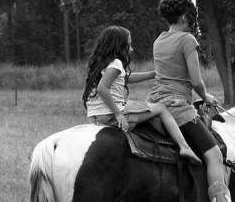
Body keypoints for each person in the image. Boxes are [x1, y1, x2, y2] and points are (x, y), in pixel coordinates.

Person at [147, 0, 235, 202]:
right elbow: (195, 80)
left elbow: (169, 76)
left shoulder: (159, 40)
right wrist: (205, 96)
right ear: (185, 17)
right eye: (192, 21)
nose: (193, 26)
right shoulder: (186, 40)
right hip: (177, 107)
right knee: (215, 155)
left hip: (153, 103)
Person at [82, 25, 201, 165]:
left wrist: (153, 74)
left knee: (140, 104)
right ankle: (184, 147)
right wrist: (118, 114)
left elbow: (125, 78)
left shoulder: (103, 64)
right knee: (161, 108)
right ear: (118, 45)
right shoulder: (116, 63)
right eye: (129, 45)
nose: (131, 49)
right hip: (111, 114)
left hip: (96, 114)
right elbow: (103, 88)